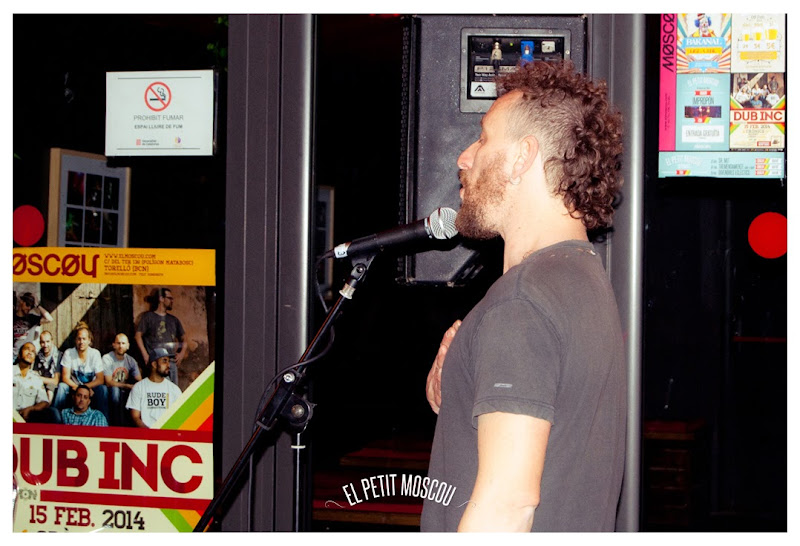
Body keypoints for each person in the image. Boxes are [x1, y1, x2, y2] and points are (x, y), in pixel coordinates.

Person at [421, 60, 626, 532]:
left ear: (521, 157)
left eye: (483, 139)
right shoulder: (583, 281)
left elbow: (507, 506)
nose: (464, 158)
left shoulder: (522, 302)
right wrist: (460, 387)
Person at [53, 323, 109, 420]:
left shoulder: (95, 353)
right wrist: (79, 388)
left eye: (84, 339)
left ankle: (104, 421)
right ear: (75, 340)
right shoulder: (69, 353)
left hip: (90, 387)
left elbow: (100, 379)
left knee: (103, 389)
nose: (81, 342)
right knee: (62, 387)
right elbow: (65, 378)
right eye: (79, 339)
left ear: (89, 340)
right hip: (73, 387)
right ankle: (55, 419)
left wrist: (86, 388)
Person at [135, 288, 188, 386]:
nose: (172, 301)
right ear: (161, 299)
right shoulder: (148, 317)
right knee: (156, 389)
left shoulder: (174, 320)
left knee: (172, 391)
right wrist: (145, 355)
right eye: (169, 298)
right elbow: (138, 336)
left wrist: (181, 353)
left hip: (171, 361)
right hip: (155, 362)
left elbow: (184, 338)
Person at [126, 347, 183, 429]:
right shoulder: (139, 387)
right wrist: (150, 433)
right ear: (154, 364)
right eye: (164, 361)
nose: (168, 365)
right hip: (146, 434)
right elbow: (135, 417)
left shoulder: (174, 389)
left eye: (168, 361)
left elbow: (180, 416)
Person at [13, 342, 60, 423]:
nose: (30, 352)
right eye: (27, 349)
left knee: (52, 413)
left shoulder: (36, 378)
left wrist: (31, 409)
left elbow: (44, 402)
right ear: (19, 355)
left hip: (27, 418)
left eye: (33, 351)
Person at [103, 333, 142, 426]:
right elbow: (108, 382)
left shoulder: (131, 360)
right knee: (115, 391)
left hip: (123, 389)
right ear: (114, 345)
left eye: (123, 343)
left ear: (128, 346)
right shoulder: (107, 358)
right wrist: (127, 386)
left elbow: (139, 380)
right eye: (118, 343)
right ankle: (115, 424)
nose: (121, 346)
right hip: (109, 390)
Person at [13, 292, 53, 359]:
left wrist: (38, 305)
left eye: (31, 306)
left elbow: (49, 319)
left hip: (27, 356)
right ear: (21, 302)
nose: (29, 308)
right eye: (27, 304)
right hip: (14, 355)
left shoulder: (31, 318)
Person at [33, 330, 60, 402]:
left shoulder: (58, 355)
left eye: (48, 342)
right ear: (40, 343)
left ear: (52, 342)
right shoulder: (38, 356)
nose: (45, 345)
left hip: (53, 384)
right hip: (41, 383)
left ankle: (47, 407)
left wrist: (39, 378)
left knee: (49, 390)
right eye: (43, 342)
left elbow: (55, 381)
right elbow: (35, 373)